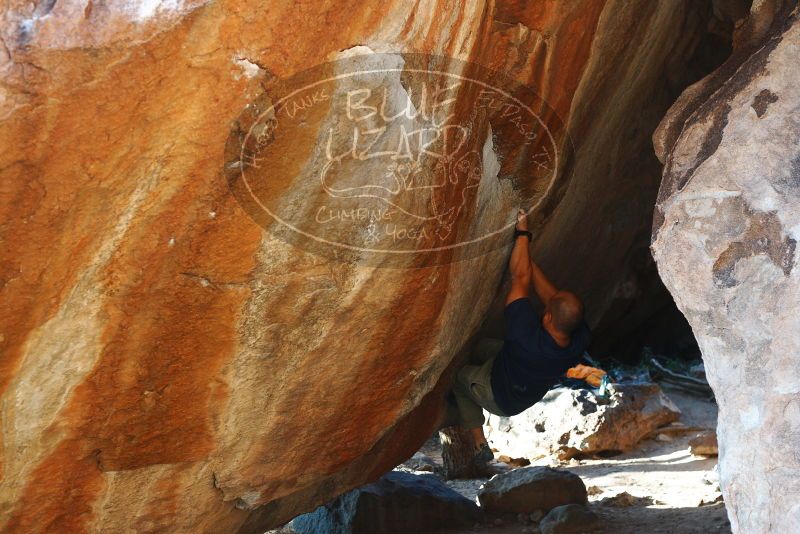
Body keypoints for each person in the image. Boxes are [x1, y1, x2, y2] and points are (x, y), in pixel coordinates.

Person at [445, 208, 591, 464]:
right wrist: (527, 257)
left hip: (501, 397)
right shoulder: (577, 336)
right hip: (523, 382)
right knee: (483, 348)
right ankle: (483, 376)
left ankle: (479, 442)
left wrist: (523, 232)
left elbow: (519, 278)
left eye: (549, 307)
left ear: (547, 317)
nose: (547, 301)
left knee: (459, 378)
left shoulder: (525, 336)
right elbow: (550, 297)